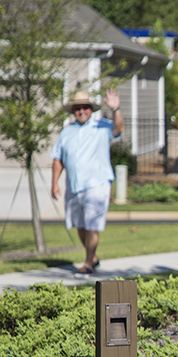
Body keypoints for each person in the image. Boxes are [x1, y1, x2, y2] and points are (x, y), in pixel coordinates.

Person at [50, 89, 124, 275]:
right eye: (78, 108)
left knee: (92, 225)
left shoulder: (102, 126)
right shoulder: (67, 132)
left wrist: (116, 110)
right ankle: (93, 257)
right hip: (74, 187)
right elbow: (58, 159)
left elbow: (118, 129)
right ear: (73, 111)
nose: (82, 111)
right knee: (80, 225)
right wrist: (54, 183)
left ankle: (89, 263)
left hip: (97, 185)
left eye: (85, 107)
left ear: (91, 109)